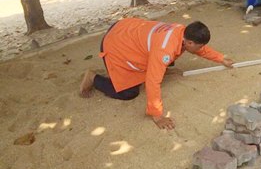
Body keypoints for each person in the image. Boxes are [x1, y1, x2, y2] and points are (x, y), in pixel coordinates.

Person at [79, 18, 234, 130]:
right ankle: (93, 78)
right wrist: (157, 115)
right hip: (116, 44)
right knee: (129, 93)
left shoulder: (182, 31)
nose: (201, 49)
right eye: (199, 46)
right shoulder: (165, 50)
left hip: (124, 27)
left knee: (164, 62)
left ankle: (159, 67)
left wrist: (221, 58)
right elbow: (152, 81)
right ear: (190, 43)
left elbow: (200, 49)